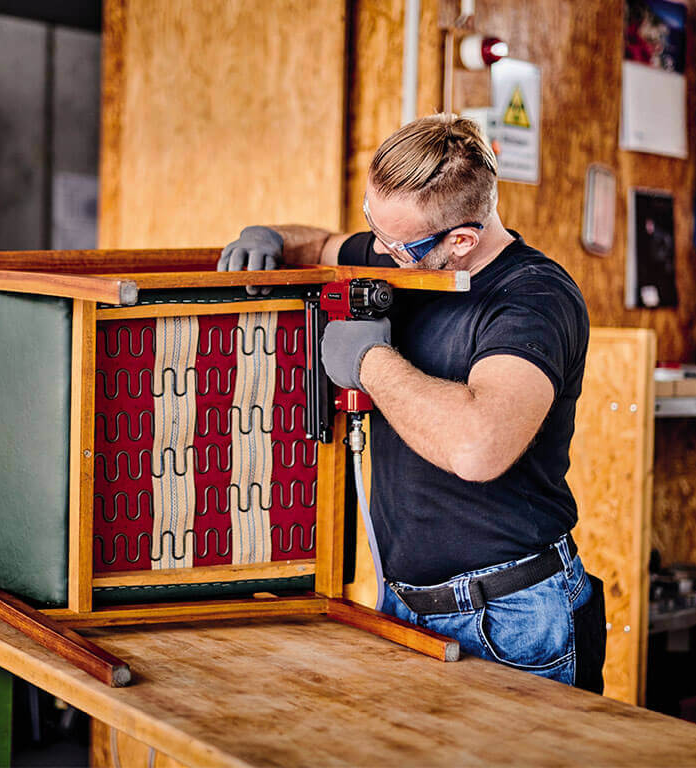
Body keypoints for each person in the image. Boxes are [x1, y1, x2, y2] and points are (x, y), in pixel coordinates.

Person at [218, 113, 605, 692]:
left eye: (396, 244)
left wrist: (370, 363)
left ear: (462, 240)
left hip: (511, 617)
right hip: (403, 605)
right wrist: (267, 238)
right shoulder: (399, 251)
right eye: (373, 223)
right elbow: (319, 243)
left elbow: (480, 447)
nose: (377, 249)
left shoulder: (534, 299)